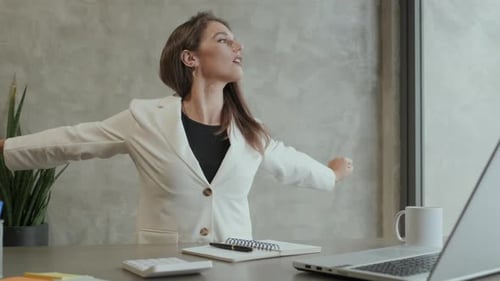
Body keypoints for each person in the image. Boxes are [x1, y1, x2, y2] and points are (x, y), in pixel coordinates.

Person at [0, 11, 353, 244]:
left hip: (235, 270)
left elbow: (290, 163)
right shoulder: (145, 119)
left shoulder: (250, 131)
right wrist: (7, 148)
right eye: (223, 39)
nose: (237, 46)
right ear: (190, 57)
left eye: (235, 40)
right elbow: (76, 140)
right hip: (164, 269)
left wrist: (331, 174)